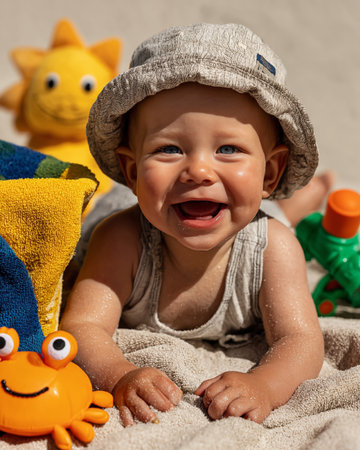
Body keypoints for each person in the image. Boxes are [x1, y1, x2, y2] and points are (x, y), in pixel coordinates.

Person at [61, 23, 325, 426]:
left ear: (271, 172)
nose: (199, 170)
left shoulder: (273, 248)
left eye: (228, 149)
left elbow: (301, 340)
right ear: (131, 170)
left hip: (250, 213)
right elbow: (81, 326)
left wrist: (265, 385)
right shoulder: (120, 239)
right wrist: (118, 375)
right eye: (169, 148)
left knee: (277, 217)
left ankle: (303, 199)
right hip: (137, 208)